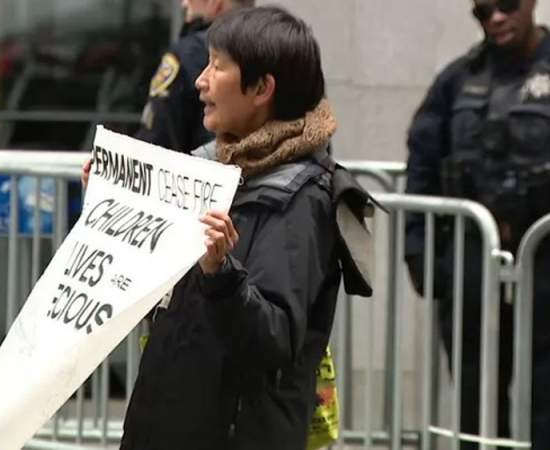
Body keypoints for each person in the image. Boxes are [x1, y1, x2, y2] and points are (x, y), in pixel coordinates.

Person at [84, 6, 375, 449]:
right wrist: (115, 207)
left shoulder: (303, 198)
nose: (201, 81)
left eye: (218, 67)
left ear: (262, 88)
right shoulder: (205, 171)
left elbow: (272, 340)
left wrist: (220, 274)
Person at [404, 0, 550, 447]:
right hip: (474, 265)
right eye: (483, 11)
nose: (497, 19)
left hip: (546, 260)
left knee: (547, 397)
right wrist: (423, 257)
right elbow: (422, 169)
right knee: (475, 399)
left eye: (507, 5)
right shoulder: (457, 80)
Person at [134, 0, 253, 153]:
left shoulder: (188, 51)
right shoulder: (272, 49)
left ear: (214, 3)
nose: (184, 4)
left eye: (216, 66)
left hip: (194, 169)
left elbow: (156, 137)